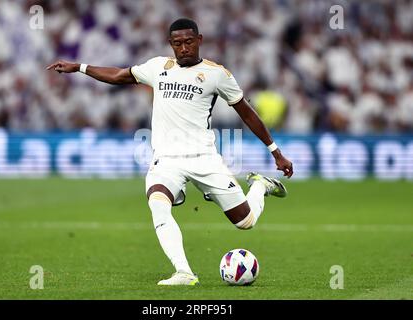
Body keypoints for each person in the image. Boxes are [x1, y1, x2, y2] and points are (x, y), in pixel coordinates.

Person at [46, 18, 294, 286]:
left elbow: (246, 112)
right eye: (177, 43)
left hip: (204, 158)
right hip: (166, 160)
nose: (184, 48)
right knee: (158, 204)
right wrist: (80, 67)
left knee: (245, 222)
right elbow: (119, 76)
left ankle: (260, 186)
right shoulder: (157, 67)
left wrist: (275, 151)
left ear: (199, 41)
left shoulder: (217, 74)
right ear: (170, 44)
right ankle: (184, 272)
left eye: (189, 42)